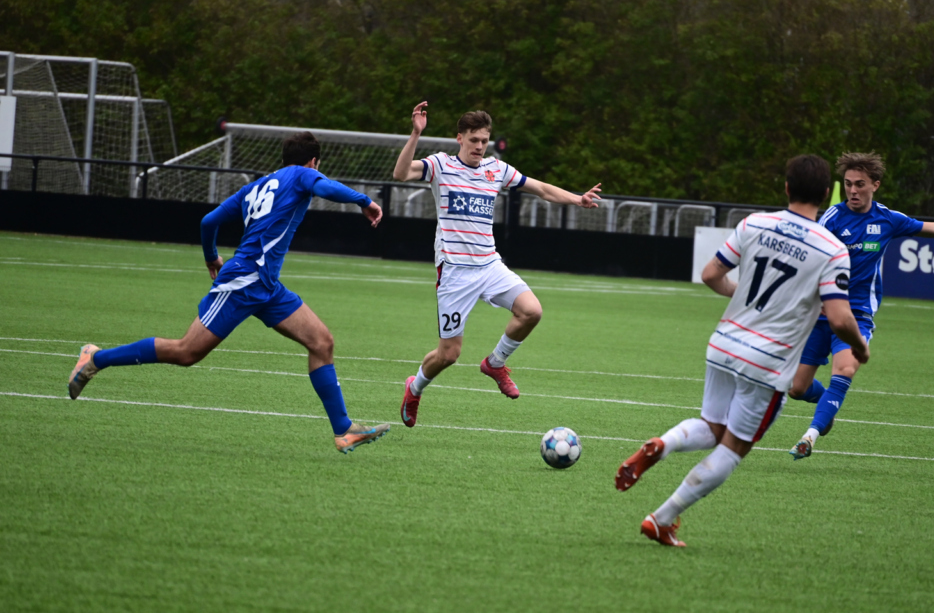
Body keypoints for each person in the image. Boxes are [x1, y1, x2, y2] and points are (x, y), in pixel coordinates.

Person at [67, 132, 391, 453]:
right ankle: (95, 358)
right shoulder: (302, 174)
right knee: (186, 352)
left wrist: (211, 257)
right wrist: (364, 201)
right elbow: (326, 188)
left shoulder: (255, 187)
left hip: (266, 287)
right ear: (313, 161)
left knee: (321, 342)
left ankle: (343, 429)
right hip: (242, 282)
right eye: (316, 167)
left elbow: (209, 221)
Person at [614, 155, 869, 548]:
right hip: (767, 362)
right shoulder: (832, 248)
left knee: (713, 427)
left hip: (724, 343)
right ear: (825, 194)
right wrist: (859, 345)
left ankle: (664, 444)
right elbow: (838, 318)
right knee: (733, 447)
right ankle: (661, 518)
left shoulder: (754, 224)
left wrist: (746, 296)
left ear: (786, 187)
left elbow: (710, 275)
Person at [787, 152, 934, 459]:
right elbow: (808, 259)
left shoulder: (887, 219)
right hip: (822, 312)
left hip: (857, 313)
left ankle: (810, 435)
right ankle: (826, 408)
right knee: (797, 388)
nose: (853, 190)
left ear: (875, 185)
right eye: (848, 184)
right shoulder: (831, 218)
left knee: (844, 369)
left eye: (860, 184)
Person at [392, 101, 601, 427]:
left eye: (484, 141)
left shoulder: (496, 169)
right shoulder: (441, 165)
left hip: (489, 265)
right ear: (459, 138)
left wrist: (578, 198)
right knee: (448, 355)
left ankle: (495, 362)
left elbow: (541, 189)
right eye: (473, 140)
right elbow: (401, 173)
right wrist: (416, 134)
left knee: (532, 311)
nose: (479, 146)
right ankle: (415, 388)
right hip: (455, 272)